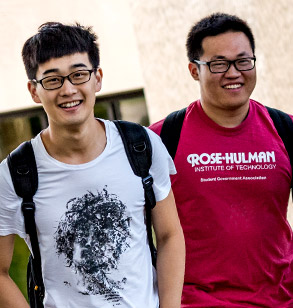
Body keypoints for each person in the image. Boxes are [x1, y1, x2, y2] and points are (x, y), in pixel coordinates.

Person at [0, 22, 185, 308]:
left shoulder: (141, 145)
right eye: (52, 80)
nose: (68, 89)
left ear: (97, 78)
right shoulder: (16, 172)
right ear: (34, 91)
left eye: (79, 74)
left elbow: (169, 235)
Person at [150, 12, 293, 308]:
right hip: (196, 302)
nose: (233, 72)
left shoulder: (286, 130)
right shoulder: (161, 139)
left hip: (280, 299)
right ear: (194, 70)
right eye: (218, 64)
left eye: (243, 61)